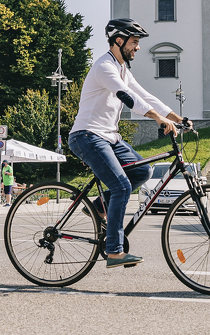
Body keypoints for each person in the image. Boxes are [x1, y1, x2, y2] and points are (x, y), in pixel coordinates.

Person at [68, 18, 189, 270]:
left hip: (109, 137)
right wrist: (158, 119)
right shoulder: (105, 67)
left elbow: (143, 95)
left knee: (142, 170)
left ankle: (99, 205)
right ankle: (114, 251)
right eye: (134, 42)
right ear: (119, 41)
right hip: (88, 135)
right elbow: (126, 97)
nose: (138, 48)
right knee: (122, 185)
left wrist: (177, 118)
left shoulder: (122, 68)